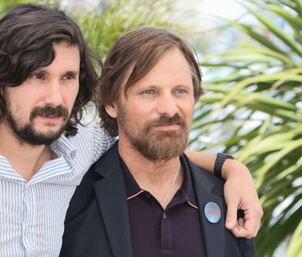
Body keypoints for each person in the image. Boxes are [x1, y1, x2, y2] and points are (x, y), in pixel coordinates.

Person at [0, 4, 260, 257]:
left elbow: (152, 140)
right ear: (0, 79)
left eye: (67, 77)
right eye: (38, 76)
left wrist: (230, 168)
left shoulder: (80, 148)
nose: (55, 97)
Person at [60, 27, 256, 257]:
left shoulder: (230, 202)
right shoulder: (72, 198)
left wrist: (234, 168)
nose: (169, 109)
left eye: (180, 91)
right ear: (111, 103)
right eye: (149, 92)